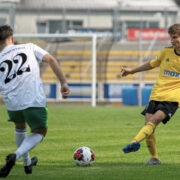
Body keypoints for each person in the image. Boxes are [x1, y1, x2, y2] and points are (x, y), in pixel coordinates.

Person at [0, 25, 70, 177]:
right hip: (32, 97)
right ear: (12, 38)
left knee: (20, 127)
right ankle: (16, 155)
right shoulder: (29, 47)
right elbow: (51, 59)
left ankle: (27, 164)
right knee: (40, 130)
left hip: (11, 102)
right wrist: (63, 82)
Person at [121, 23, 180, 165]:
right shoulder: (166, 52)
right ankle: (154, 158)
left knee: (154, 121)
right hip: (157, 93)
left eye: (176, 37)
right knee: (148, 124)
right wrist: (132, 71)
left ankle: (133, 142)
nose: (173, 41)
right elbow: (152, 64)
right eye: (171, 38)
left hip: (173, 97)